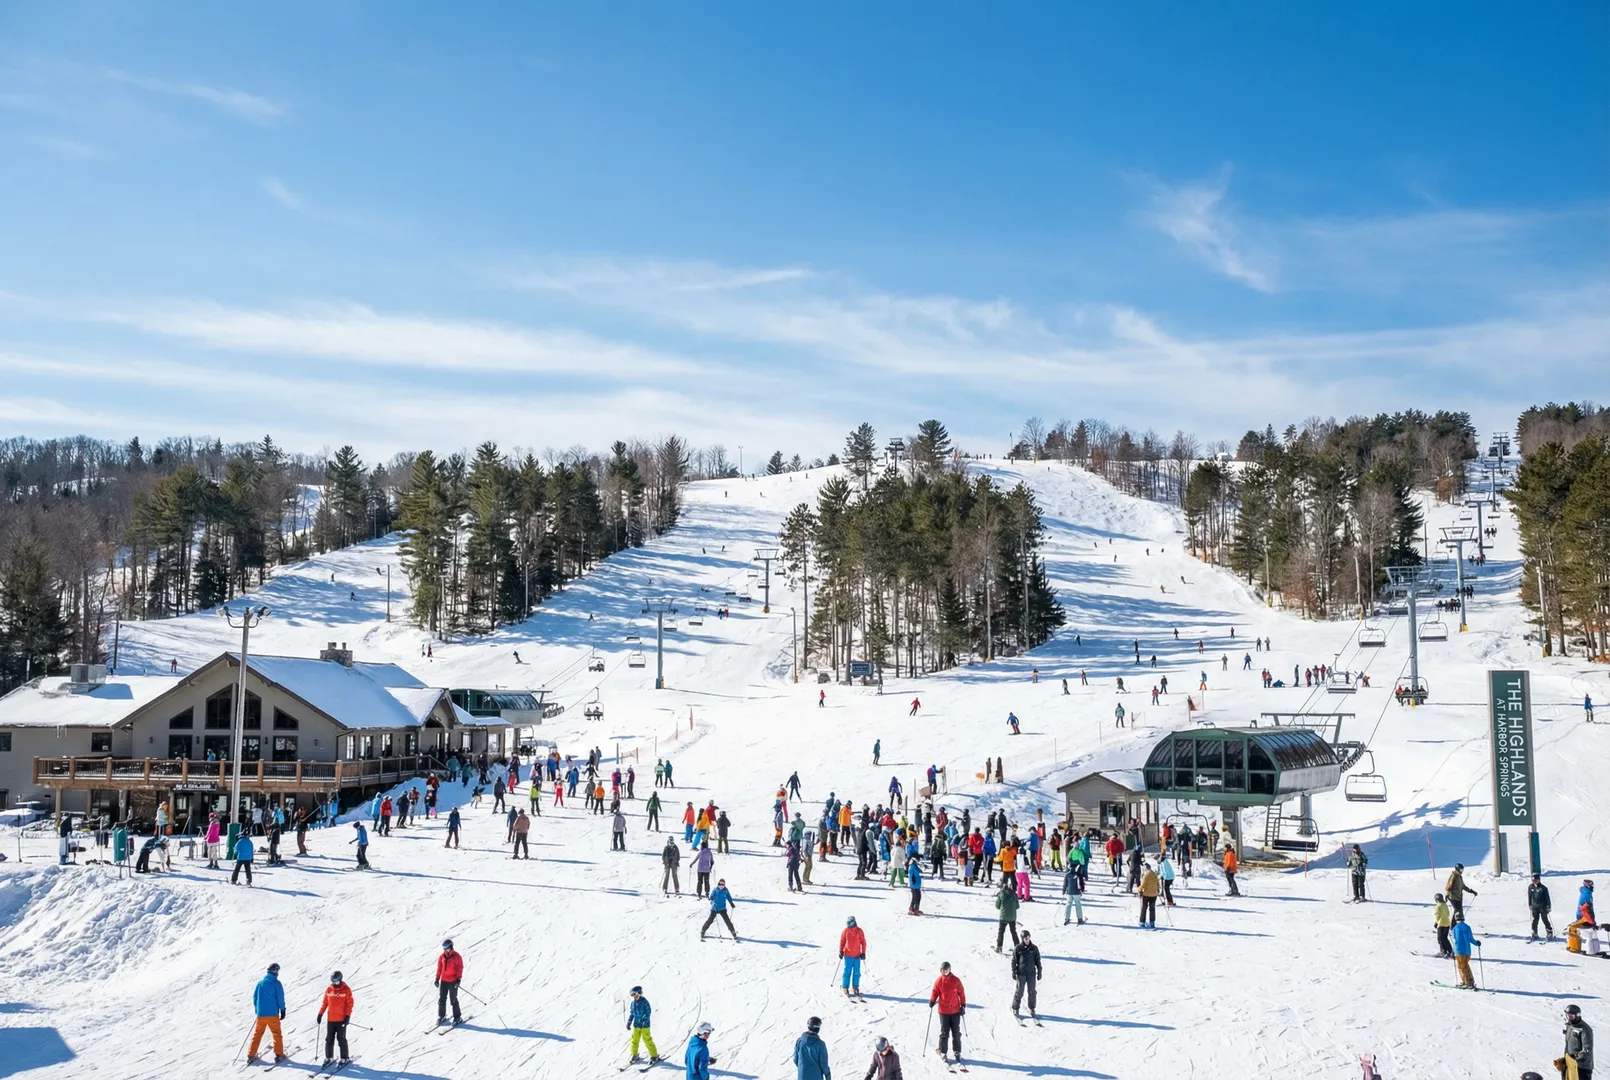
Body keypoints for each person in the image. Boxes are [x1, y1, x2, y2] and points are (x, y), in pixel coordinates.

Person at [247, 962, 288, 1064]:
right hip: (272, 1014)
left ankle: (251, 1054)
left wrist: (257, 1010)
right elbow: (280, 998)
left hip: (261, 1015)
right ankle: (279, 1054)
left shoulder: (260, 983)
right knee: (276, 1033)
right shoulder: (276, 984)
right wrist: (282, 1009)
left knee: (258, 1033)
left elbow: (255, 997)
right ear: (275, 972)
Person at [928, 962, 966, 1066]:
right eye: (942, 971)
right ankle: (943, 1052)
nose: (944, 972)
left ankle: (957, 1051)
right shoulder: (939, 981)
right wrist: (932, 1000)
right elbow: (935, 991)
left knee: (956, 1033)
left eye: (946, 970)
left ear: (949, 970)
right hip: (943, 1011)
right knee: (944, 1033)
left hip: (955, 1011)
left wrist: (963, 1005)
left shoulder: (956, 980)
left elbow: (961, 993)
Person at [317, 971, 354, 1067]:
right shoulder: (329, 990)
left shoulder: (346, 990)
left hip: (341, 1019)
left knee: (341, 1038)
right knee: (329, 1039)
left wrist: (347, 1016)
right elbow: (325, 1003)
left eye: (336, 981)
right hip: (331, 1019)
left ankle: (344, 1057)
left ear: (340, 980)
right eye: (333, 981)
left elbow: (349, 1005)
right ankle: (329, 1057)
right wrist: (320, 1014)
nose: (335, 983)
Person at [1010, 930, 1042, 1020]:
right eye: (1026, 938)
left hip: (1031, 973)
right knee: (1020, 991)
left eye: (1028, 938)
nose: (1027, 940)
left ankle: (1032, 1008)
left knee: (1032, 992)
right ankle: (1015, 1008)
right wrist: (1014, 972)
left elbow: (1038, 961)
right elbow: (1014, 961)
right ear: (1022, 939)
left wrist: (1039, 972)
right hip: (1021, 974)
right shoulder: (1018, 948)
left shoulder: (1034, 948)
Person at [627, 985, 661, 1065]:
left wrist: (643, 1020)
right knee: (634, 1039)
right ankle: (634, 1054)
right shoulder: (633, 1003)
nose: (634, 996)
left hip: (645, 1025)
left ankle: (654, 1056)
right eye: (632, 995)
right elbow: (632, 1013)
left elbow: (648, 1012)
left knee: (647, 1039)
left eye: (634, 994)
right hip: (636, 1025)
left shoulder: (644, 1002)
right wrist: (629, 1021)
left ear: (639, 993)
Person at [436, 939, 464, 1024]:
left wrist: (458, 980)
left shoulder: (457, 957)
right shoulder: (442, 957)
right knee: (442, 999)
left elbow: (460, 968)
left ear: (451, 947)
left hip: (453, 981)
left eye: (447, 948)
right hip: (444, 981)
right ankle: (441, 1016)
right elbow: (439, 968)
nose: (445, 950)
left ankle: (457, 1017)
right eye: (444, 948)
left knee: (453, 1000)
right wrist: (437, 979)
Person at [794, 1016, 830, 1080]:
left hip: (802, 1076)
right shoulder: (820, 1044)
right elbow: (823, 1064)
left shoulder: (799, 1041)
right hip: (816, 1077)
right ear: (817, 1028)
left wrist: (803, 1069)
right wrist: (828, 1075)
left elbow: (795, 1059)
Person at [1562, 1004, 1593, 1080]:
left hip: (1582, 1067)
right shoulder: (1570, 1026)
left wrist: (1575, 1059)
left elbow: (1587, 1050)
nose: (1569, 1018)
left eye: (1572, 1016)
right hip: (1570, 1064)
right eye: (1567, 1015)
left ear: (1577, 1015)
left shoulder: (1585, 1029)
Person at [1451, 913, 1480, 990]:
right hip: (1467, 951)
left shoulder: (1456, 928)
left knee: (1461, 967)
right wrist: (1476, 943)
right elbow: (1471, 939)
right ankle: (1470, 981)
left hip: (1460, 950)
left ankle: (1466, 982)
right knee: (1466, 965)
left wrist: (1453, 951)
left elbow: (1456, 940)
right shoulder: (1467, 927)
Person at [839, 916, 866, 998]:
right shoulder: (845, 931)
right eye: (847, 923)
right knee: (847, 971)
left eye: (850, 923)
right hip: (848, 955)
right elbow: (842, 941)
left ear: (854, 922)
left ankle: (855, 987)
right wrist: (841, 951)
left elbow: (863, 942)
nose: (849, 925)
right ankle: (845, 987)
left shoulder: (859, 931)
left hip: (857, 956)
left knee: (857, 972)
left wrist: (863, 953)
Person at [995, 876, 1020, 951]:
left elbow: (997, 906)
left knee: (1001, 931)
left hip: (1003, 916)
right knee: (1013, 931)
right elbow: (1017, 906)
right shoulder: (1014, 895)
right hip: (1012, 917)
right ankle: (1017, 946)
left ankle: (999, 947)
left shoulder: (1001, 894)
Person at [1528, 874, 1554, 941]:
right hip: (1534, 907)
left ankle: (1549, 932)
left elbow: (1547, 898)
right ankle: (1534, 933)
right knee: (1535, 920)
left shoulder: (1543, 888)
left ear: (1539, 880)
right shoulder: (1530, 887)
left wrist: (1549, 906)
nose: (1534, 882)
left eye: (1536, 880)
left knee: (1544, 919)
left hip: (1542, 907)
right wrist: (1530, 905)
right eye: (1533, 880)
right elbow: (1530, 897)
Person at [1138, 861, 1160, 927]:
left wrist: (1139, 890)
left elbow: (1143, 885)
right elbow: (1158, 885)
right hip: (1154, 895)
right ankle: (1152, 922)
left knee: (1144, 908)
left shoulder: (1146, 875)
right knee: (1152, 908)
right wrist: (1157, 889)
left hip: (1146, 894)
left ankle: (1142, 922)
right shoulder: (1155, 874)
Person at [1433, 893, 1454, 958]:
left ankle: (1443, 951)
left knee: (1440, 938)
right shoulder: (1445, 905)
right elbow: (1448, 913)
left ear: (1436, 900)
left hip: (1441, 924)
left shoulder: (1438, 906)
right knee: (1444, 938)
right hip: (1447, 923)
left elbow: (1437, 915)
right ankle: (1450, 951)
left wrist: (1436, 922)